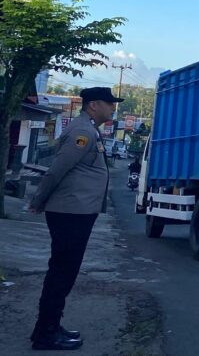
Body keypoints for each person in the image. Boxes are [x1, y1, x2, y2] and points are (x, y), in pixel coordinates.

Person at [27, 87, 121, 351]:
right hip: (70, 212)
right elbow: (57, 170)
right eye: (109, 103)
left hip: (77, 211)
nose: (113, 108)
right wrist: (38, 201)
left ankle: (50, 327)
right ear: (93, 105)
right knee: (61, 272)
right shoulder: (82, 132)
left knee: (65, 272)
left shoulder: (89, 128)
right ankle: (45, 334)